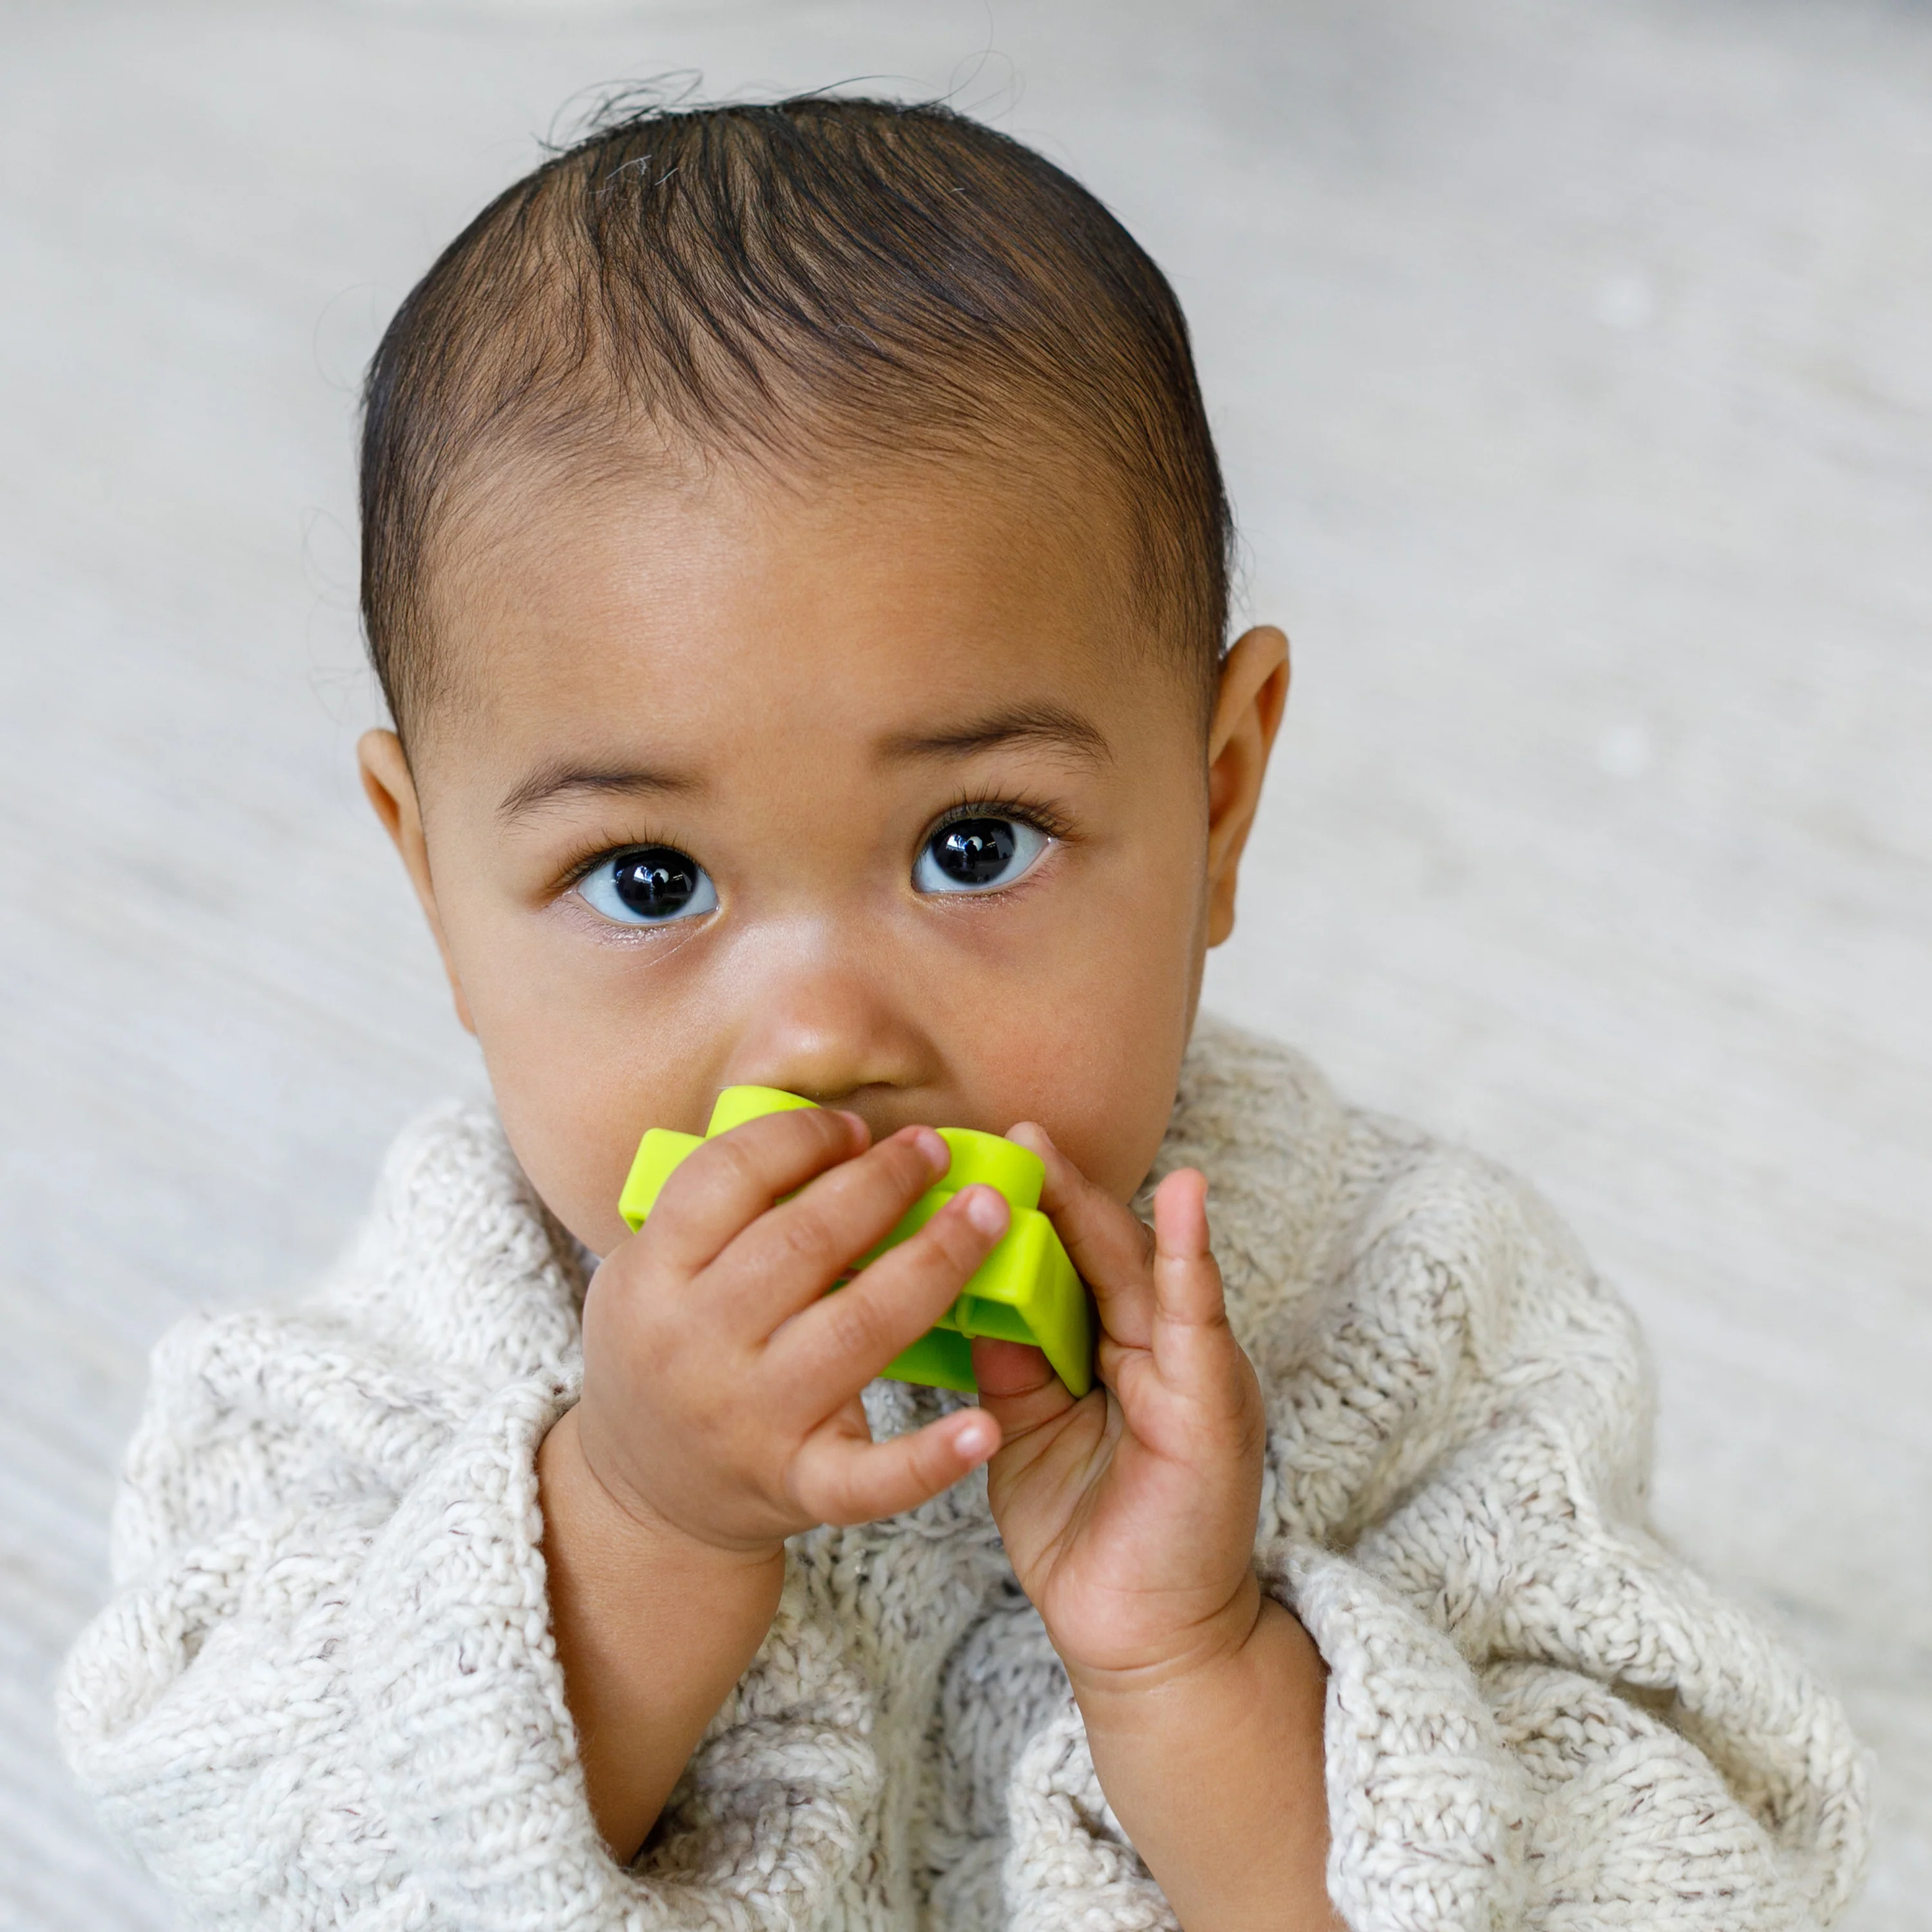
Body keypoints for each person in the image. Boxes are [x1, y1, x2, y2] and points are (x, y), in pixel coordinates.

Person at [57, 95, 1869, 1931]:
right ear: (432, 883)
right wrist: (632, 1526)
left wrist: (1195, 1662)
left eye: (972, 843)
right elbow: (241, 1837)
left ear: (1220, 797)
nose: (822, 1035)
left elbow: (1697, 1869)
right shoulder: (391, 1372)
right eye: (651, 879)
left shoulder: (1403, 1308)